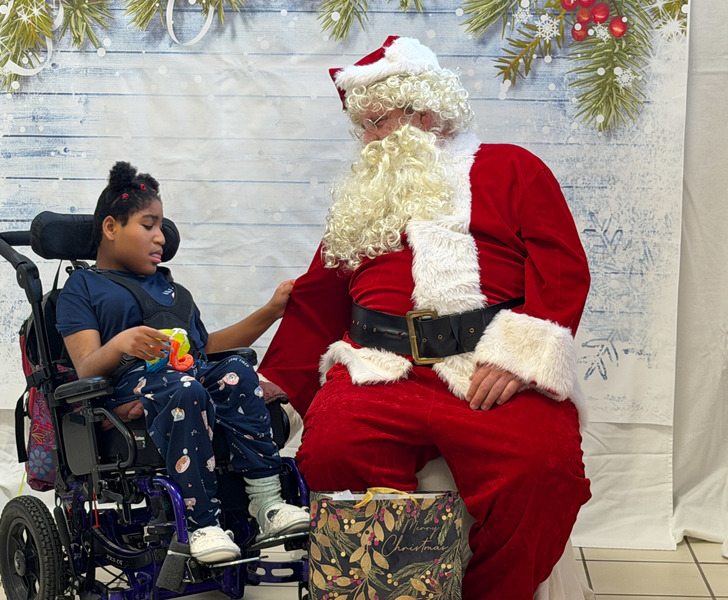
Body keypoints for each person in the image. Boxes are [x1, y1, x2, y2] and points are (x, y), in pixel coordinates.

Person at [257, 37, 592, 599]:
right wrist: (276, 383)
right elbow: (321, 292)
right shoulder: (366, 195)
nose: (367, 139)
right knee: (332, 451)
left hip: (486, 364)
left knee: (543, 470)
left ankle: (492, 591)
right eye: (361, 125)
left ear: (425, 110)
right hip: (378, 367)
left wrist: (520, 355)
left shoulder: (513, 167)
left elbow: (562, 269)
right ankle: (400, 589)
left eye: (378, 121)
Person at [55, 161, 309, 564]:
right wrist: (122, 343)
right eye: (148, 224)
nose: (162, 237)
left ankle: (267, 504)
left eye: (163, 226)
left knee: (238, 371)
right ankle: (202, 524)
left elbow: (206, 348)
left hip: (186, 380)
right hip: (128, 394)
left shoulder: (172, 290)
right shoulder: (82, 288)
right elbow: (86, 366)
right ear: (110, 228)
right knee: (185, 388)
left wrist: (272, 310)